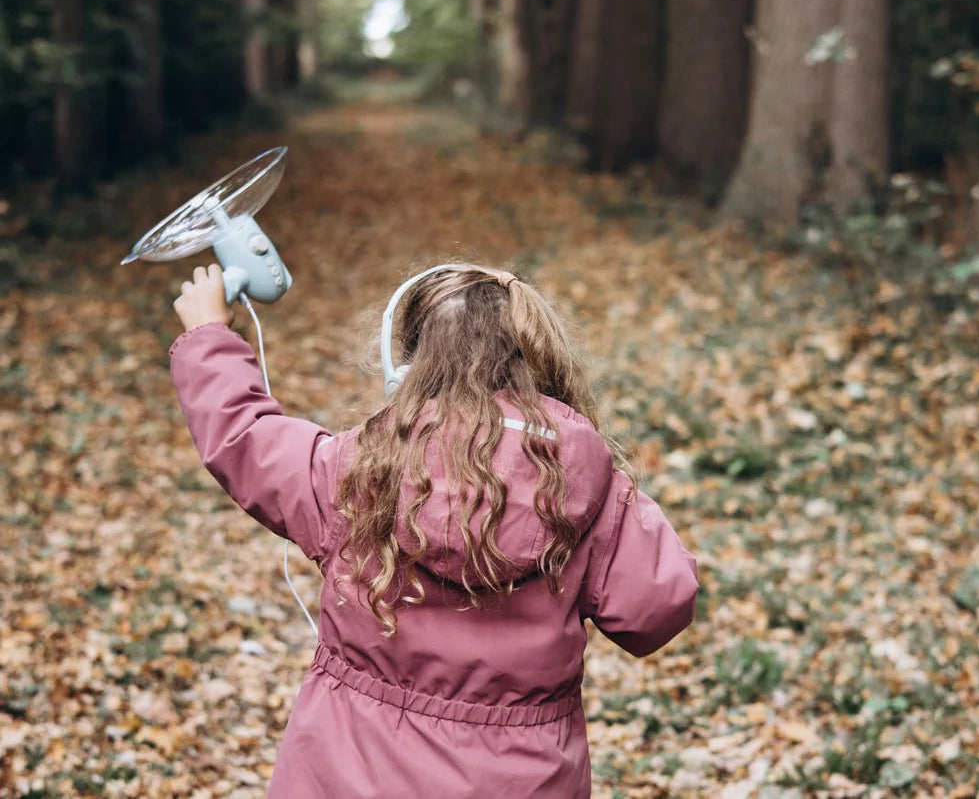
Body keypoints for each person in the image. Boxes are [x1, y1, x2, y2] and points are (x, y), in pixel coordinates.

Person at [170, 261, 698, 799]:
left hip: (348, 776)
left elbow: (245, 437)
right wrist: (610, 487)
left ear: (405, 367)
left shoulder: (354, 470)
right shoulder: (587, 486)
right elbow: (657, 612)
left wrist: (209, 335)